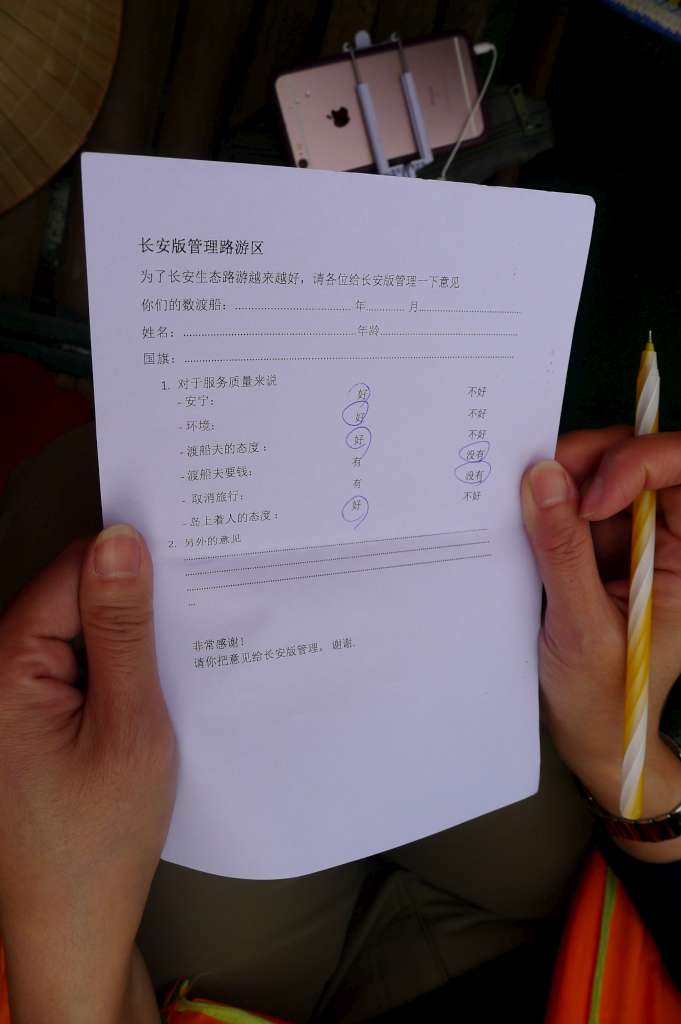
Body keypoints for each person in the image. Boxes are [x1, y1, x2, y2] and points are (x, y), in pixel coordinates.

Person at [1, 423, 681, 1023]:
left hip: (229, 1003)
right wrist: (630, 769)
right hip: (593, 929)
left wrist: (61, 933)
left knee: (88, 499)